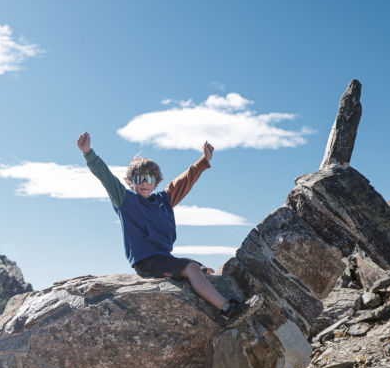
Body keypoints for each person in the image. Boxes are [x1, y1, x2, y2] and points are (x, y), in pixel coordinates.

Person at [76, 131, 258, 323]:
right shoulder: (125, 200)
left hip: (163, 258)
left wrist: (204, 160)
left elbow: (185, 180)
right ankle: (228, 309)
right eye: (138, 179)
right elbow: (106, 176)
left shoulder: (164, 199)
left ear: (156, 182)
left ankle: (216, 301)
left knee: (206, 270)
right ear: (131, 183)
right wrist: (88, 152)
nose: (144, 183)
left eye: (148, 178)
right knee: (192, 269)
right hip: (146, 261)